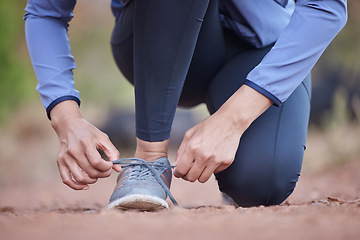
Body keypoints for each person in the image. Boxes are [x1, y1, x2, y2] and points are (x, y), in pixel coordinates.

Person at [24, 0, 347, 210]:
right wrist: (65, 117)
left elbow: (326, 8)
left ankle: (239, 162)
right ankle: (150, 164)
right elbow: (45, 12)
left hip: (259, 52)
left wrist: (232, 120)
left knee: (261, 185)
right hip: (152, 38)